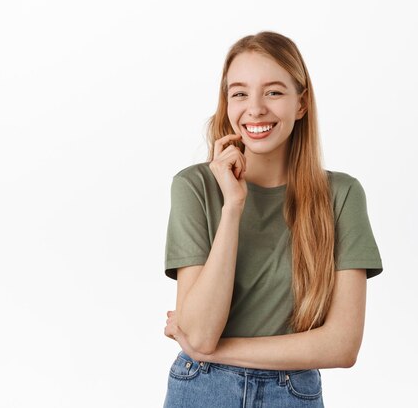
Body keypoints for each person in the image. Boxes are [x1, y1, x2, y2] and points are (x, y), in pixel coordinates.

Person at [161, 31, 383, 408]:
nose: (256, 108)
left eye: (274, 92)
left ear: (301, 103)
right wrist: (232, 207)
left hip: (292, 393)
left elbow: (343, 346)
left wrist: (214, 351)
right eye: (240, 93)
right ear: (226, 103)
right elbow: (199, 333)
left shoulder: (341, 195)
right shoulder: (194, 186)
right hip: (201, 390)